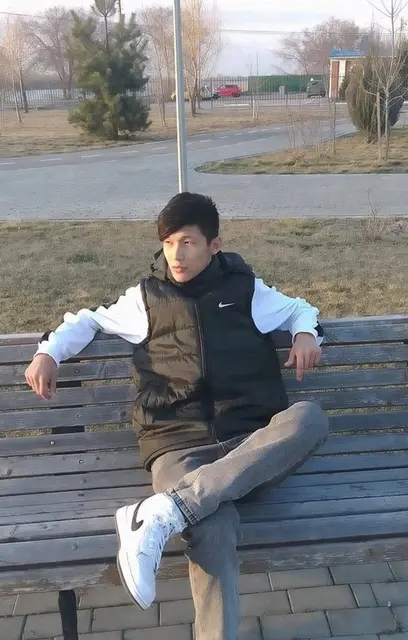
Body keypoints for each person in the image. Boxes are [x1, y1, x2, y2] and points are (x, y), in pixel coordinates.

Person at [25, 192, 329, 640]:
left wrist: (305, 333)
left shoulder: (246, 291)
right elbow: (88, 320)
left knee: (309, 418)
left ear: (214, 244)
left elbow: (300, 308)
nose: (176, 255)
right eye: (168, 243)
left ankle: (165, 511)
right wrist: (48, 352)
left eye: (187, 242)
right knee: (213, 526)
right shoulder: (146, 298)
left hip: (247, 445)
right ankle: (184, 513)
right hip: (178, 447)